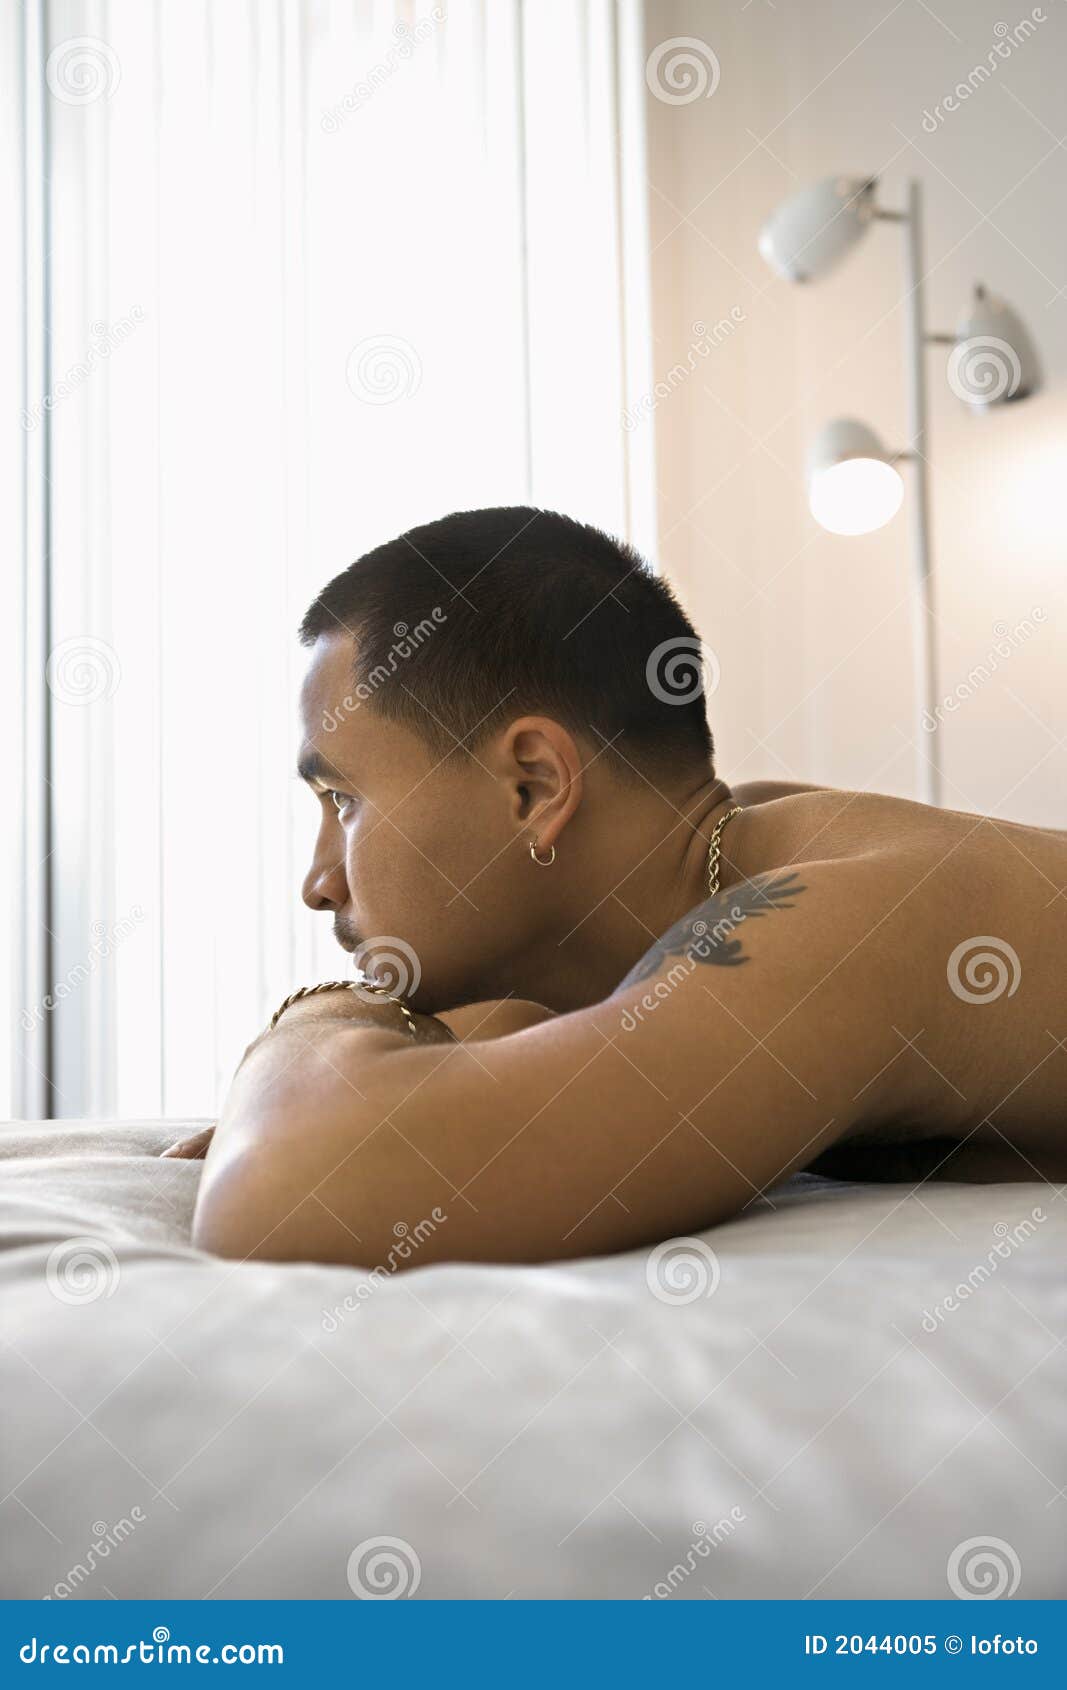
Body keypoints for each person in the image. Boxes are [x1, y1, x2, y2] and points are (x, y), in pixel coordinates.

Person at [167, 507, 1067, 1269]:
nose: (317, 884)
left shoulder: (836, 917)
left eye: (344, 800)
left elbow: (281, 1193)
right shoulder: (719, 869)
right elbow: (523, 1046)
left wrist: (315, 1019)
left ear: (534, 786)